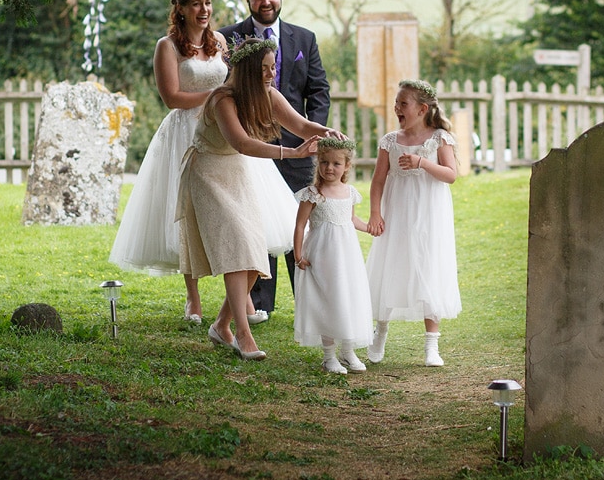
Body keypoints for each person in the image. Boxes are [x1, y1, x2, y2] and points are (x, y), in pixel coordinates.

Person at [109, 0, 292, 325]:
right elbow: (172, 97)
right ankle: (193, 298)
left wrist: (232, 102)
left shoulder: (220, 41)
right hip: (186, 132)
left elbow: (235, 82)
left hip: (224, 129)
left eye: (207, 3)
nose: (204, 10)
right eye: (196, 4)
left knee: (241, 210)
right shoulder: (168, 46)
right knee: (185, 214)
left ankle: (240, 304)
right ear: (180, 9)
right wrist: (217, 97)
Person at [176, 36, 343, 361]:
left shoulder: (267, 94)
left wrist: (327, 133)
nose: (271, 74)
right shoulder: (222, 99)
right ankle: (242, 333)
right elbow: (242, 143)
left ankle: (220, 326)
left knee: (254, 250)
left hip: (237, 173)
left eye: (273, 67)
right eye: (266, 69)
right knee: (238, 246)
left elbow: (299, 123)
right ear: (250, 70)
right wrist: (291, 153)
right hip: (208, 172)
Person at [218, 0, 330, 315]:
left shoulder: (304, 38)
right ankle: (257, 304)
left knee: (301, 223)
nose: (265, 2)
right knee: (258, 224)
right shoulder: (228, 38)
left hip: (297, 149)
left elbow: (318, 92)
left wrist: (313, 136)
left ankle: (309, 301)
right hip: (250, 150)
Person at [365, 79, 462, 367]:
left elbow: (451, 174)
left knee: (429, 265)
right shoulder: (390, 141)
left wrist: (422, 163)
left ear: (421, 109)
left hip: (430, 213)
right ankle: (379, 331)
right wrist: (375, 213)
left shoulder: (439, 138)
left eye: (402, 103)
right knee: (391, 264)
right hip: (397, 211)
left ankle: (432, 345)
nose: (397, 108)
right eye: (396, 103)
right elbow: (378, 180)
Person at [292, 138, 374, 375]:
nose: (329, 168)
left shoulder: (349, 192)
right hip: (322, 255)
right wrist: (298, 255)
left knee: (348, 296)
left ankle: (348, 351)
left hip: (346, 255)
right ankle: (329, 357)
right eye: (324, 162)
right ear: (318, 163)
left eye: (336, 163)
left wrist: (368, 227)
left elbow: (350, 219)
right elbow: (300, 226)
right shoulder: (313, 194)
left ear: (347, 165)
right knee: (328, 298)